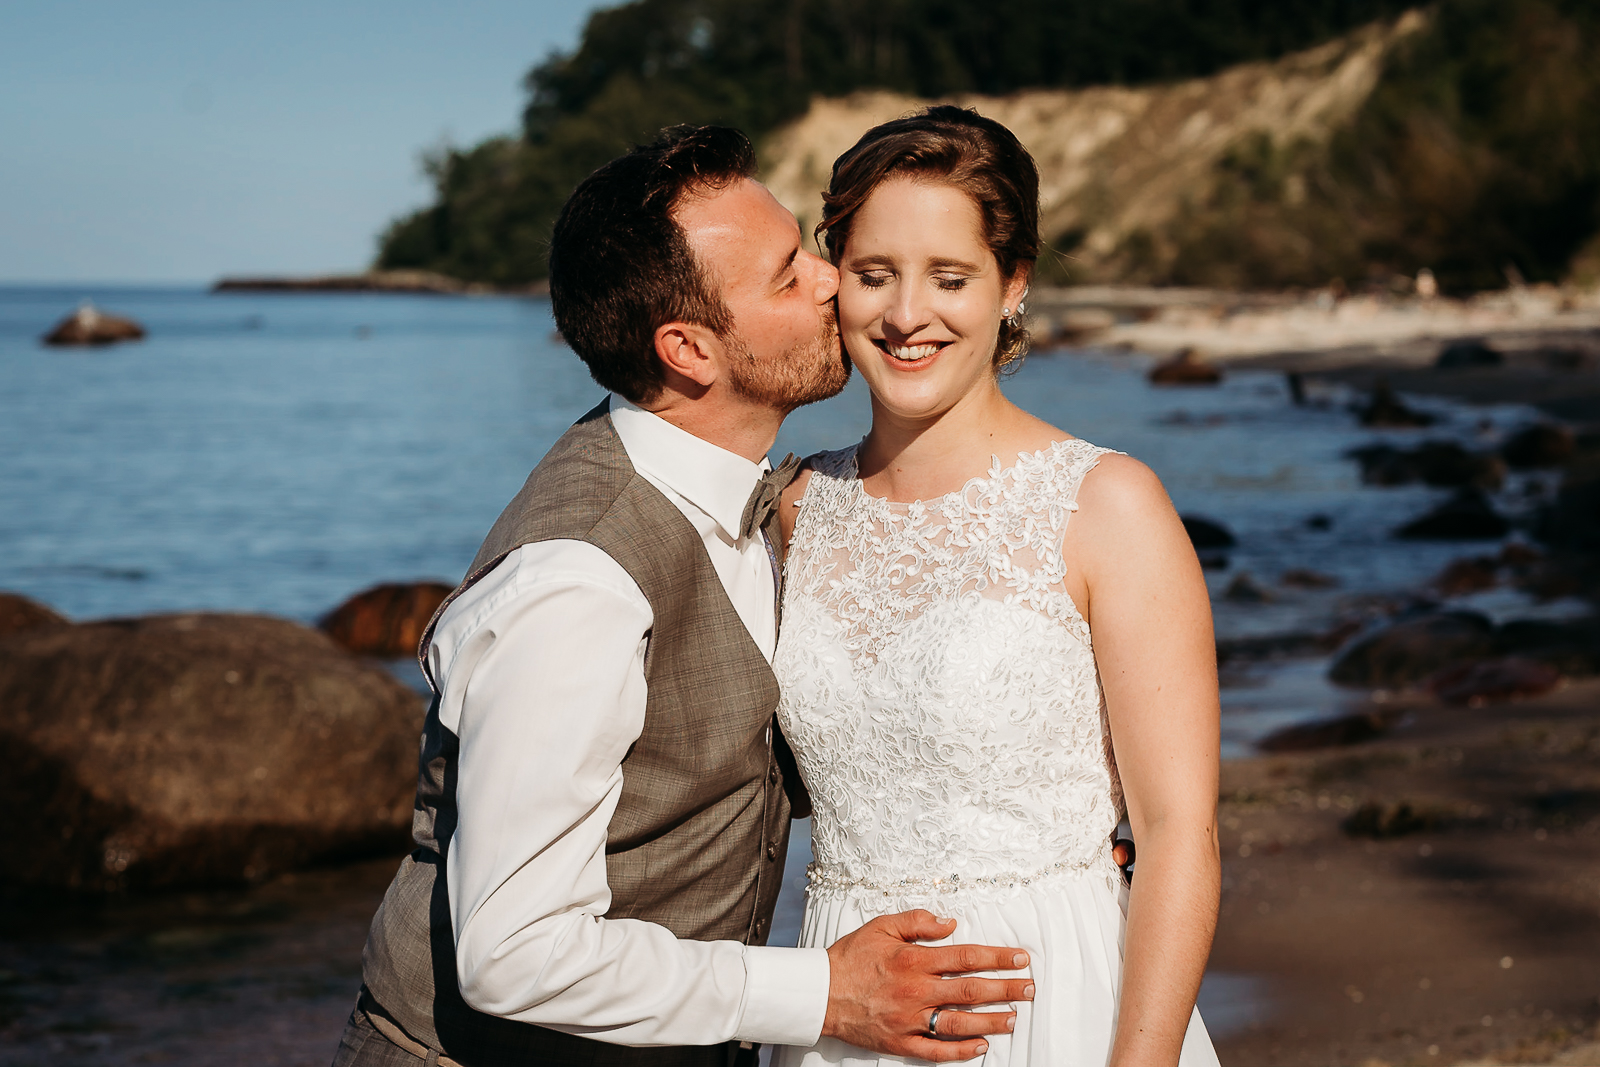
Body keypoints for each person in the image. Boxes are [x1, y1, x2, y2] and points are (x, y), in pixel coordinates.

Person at [331, 125, 1035, 1067]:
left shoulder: (768, 500)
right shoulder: (579, 582)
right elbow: (511, 953)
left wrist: (1034, 831)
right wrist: (823, 991)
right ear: (689, 349)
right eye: (789, 277)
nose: (835, 282)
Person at [772, 107, 1222, 1065]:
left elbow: (1181, 834)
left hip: (1048, 999)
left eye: (950, 277)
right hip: (841, 1008)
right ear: (835, 280)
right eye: (874, 274)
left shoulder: (1107, 505)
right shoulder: (794, 507)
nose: (904, 316)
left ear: (1012, 286)